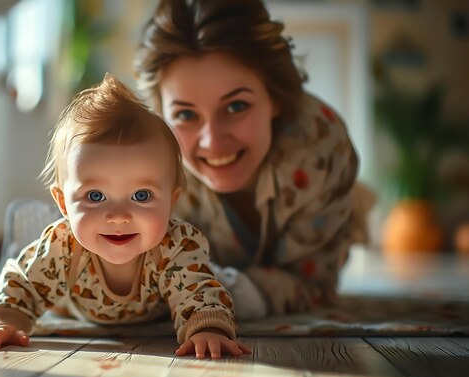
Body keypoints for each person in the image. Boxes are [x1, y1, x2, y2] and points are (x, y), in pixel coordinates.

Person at [0, 75, 250, 359]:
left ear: (172, 201)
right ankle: (25, 235)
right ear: (62, 201)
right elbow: (22, 283)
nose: (119, 216)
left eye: (142, 195)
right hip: (69, 300)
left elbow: (197, 292)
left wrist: (208, 328)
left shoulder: (175, 246)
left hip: (163, 304)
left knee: (226, 288)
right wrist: (4, 322)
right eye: (95, 196)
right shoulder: (63, 246)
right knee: (32, 266)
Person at [134, 0, 375, 318]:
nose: (213, 141)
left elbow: (312, 283)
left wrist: (221, 292)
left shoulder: (319, 144)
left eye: (236, 107)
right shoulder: (155, 165)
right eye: (185, 114)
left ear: (274, 97)